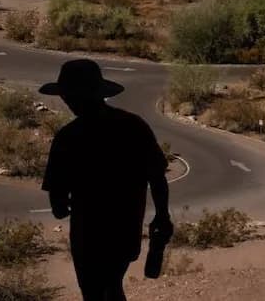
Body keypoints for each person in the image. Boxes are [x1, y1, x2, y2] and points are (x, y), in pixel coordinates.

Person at [41, 59, 172, 301]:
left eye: (68, 96)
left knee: (95, 291)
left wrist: (65, 204)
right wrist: (162, 215)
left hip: (88, 233)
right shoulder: (134, 126)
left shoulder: (69, 137)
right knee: (112, 283)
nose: (67, 101)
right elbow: (157, 177)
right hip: (125, 228)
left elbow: (57, 203)